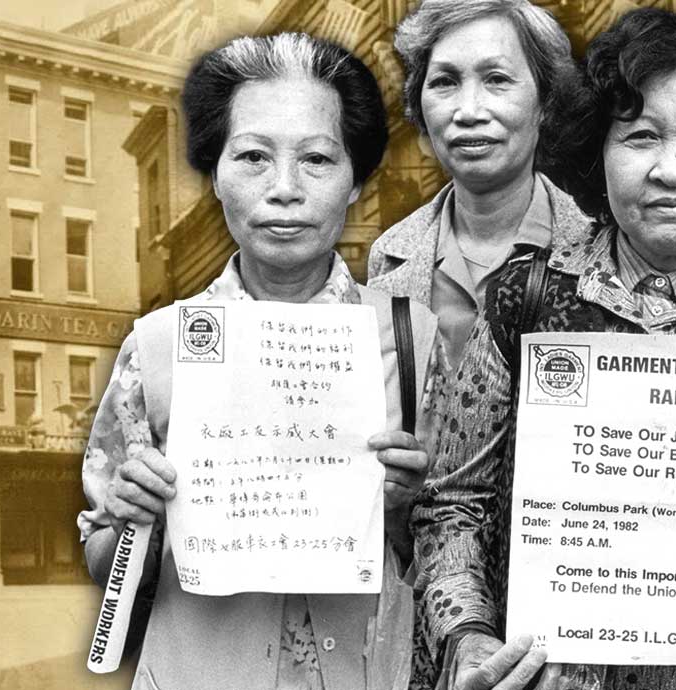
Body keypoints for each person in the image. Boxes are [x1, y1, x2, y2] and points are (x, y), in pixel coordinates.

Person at [414, 8, 676, 690]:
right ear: (596, 149)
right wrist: (466, 635)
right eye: (640, 136)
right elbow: (452, 506)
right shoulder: (520, 301)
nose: (671, 169)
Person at [78, 33, 438, 690]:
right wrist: (137, 525)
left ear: (357, 179)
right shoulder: (159, 348)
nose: (285, 190)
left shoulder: (416, 341)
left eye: (318, 160)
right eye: (251, 157)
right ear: (213, 173)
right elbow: (108, 567)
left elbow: (463, 557)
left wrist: (404, 513)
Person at [366, 0, 587, 372]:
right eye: (444, 82)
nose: (468, 112)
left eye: (497, 79)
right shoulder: (389, 255)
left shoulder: (602, 250)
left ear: (546, 101)